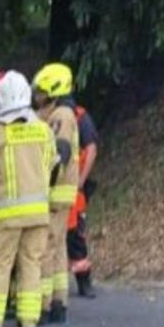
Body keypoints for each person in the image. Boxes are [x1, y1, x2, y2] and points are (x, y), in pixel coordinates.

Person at [0, 71, 59, 327]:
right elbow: (53, 166)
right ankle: (28, 322)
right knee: (31, 265)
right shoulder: (43, 130)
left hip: (6, 217)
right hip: (38, 213)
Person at [32, 62, 80, 324]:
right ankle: (59, 301)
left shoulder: (61, 115)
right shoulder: (59, 113)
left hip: (57, 190)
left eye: (41, 91)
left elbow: (61, 151)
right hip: (63, 190)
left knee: (47, 245)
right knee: (59, 246)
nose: (37, 96)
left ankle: (43, 303)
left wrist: (47, 179)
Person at [69, 101, 100, 298]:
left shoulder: (80, 118)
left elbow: (91, 149)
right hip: (55, 187)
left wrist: (81, 181)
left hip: (75, 189)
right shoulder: (46, 117)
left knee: (75, 235)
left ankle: (84, 280)